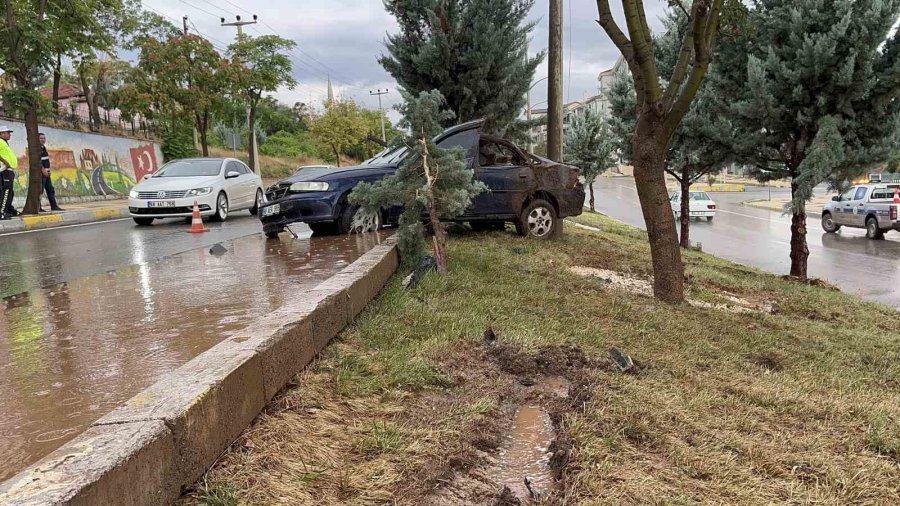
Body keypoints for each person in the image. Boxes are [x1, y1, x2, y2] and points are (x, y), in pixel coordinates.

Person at [39, 133, 63, 212]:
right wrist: (43, 170)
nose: (43, 140)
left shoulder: (44, 148)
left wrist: (48, 171)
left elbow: (45, 161)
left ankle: (54, 206)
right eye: (41, 138)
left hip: (47, 173)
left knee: (50, 189)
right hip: (41, 174)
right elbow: (38, 161)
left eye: (44, 138)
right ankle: (38, 207)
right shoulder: (37, 148)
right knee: (40, 191)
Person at [0, 125, 17, 220]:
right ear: (1, 134)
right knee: (6, 192)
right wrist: (5, 162)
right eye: (7, 133)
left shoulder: (4, 142)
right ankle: (2, 213)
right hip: (4, 170)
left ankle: (7, 211)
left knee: (9, 192)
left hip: (9, 170)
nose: (9, 134)